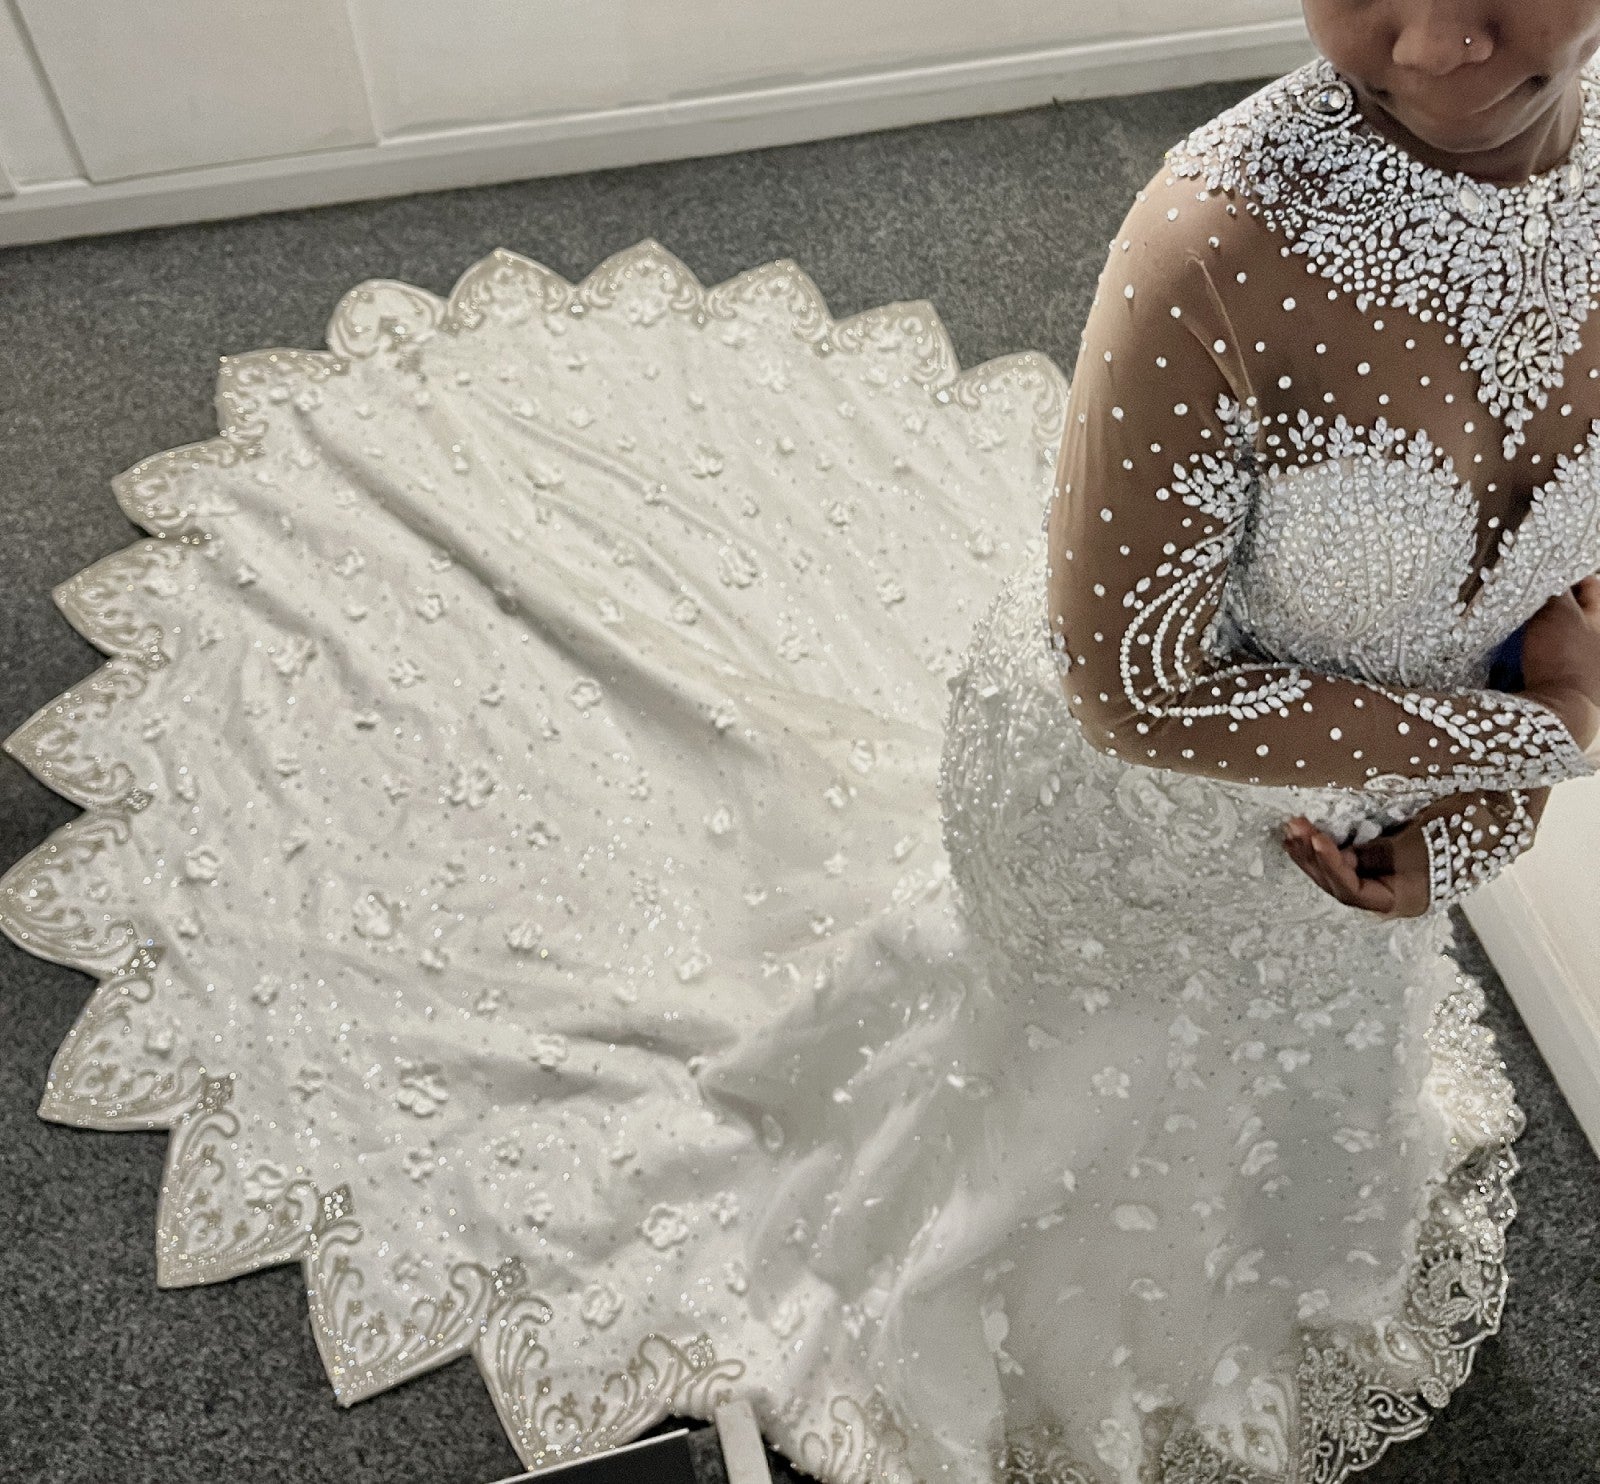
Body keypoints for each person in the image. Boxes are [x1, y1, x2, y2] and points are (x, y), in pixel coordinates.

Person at [5, 5, 1600, 1483]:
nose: (1431, 43)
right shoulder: (1213, 242)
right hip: (1137, 817)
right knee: (1083, 1086)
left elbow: (1550, 583)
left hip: (1354, 823)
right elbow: (1136, 691)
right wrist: (1540, 739)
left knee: (1284, 1068)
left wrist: (1483, 804)